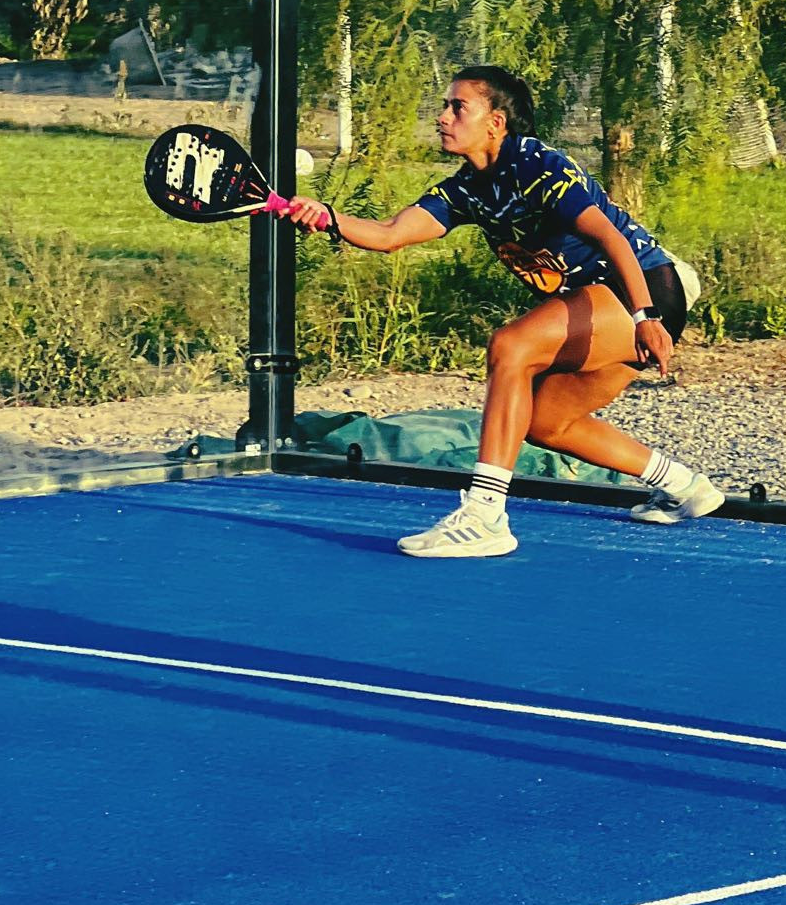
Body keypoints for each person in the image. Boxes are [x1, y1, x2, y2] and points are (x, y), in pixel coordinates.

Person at [282, 66, 724, 558]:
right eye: (445, 106)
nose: (442, 117)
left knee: (512, 346)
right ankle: (685, 487)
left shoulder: (539, 167)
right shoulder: (466, 190)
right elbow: (390, 235)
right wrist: (328, 217)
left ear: (496, 122)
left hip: (642, 288)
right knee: (548, 423)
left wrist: (646, 318)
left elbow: (611, 238)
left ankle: (484, 515)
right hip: (611, 304)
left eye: (457, 107)